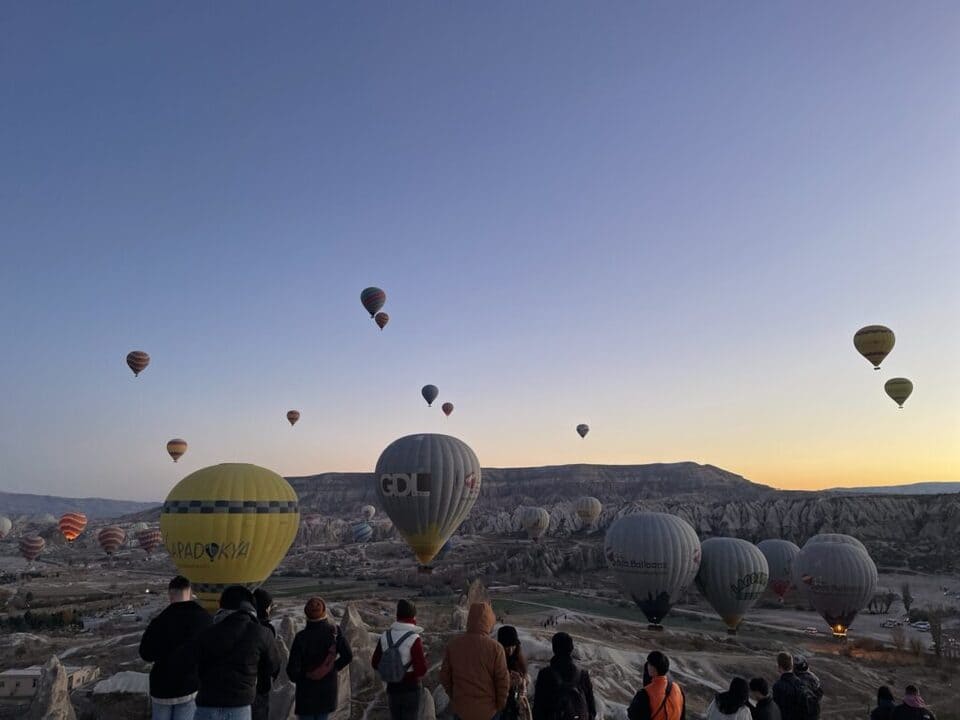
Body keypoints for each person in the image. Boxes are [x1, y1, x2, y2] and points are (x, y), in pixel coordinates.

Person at [194, 585, 281, 720]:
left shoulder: (206, 633)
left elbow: (193, 666)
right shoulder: (262, 633)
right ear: (251, 608)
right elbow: (273, 665)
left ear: (221, 606)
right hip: (239, 705)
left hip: (207, 704)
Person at [138, 576, 213, 720]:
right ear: (189, 592)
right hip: (189, 685)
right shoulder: (204, 619)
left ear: (170, 594)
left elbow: (145, 654)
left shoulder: (159, 621)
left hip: (161, 686)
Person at [439, 601, 509, 720]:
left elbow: (445, 676)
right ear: (489, 621)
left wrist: (454, 696)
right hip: (488, 711)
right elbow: (502, 681)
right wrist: (500, 705)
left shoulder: (454, 645)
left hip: (461, 709)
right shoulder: (495, 648)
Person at [286, 596, 353, 720]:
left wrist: (306, 675)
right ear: (324, 612)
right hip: (327, 693)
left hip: (306, 694)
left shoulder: (301, 637)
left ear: (306, 613)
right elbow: (348, 656)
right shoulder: (335, 632)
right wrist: (332, 668)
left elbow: (292, 672)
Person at [372, 599, 428, 720]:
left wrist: (392, 670)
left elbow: (375, 663)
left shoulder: (385, 636)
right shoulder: (414, 638)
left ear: (397, 615)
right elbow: (421, 669)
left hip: (392, 688)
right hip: (410, 689)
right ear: (413, 616)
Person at [531, 631, 595, 720]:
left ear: (554, 649)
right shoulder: (583, 674)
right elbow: (591, 707)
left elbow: (538, 708)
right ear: (571, 648)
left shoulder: (545, 674)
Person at [627, 651, 685, 720]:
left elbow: (633, 715)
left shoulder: (645, 693)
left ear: (653, 668)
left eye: (649, 664)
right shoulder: (678, 689)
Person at [252, 588, 279, 720]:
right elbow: (272, 659)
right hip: (261, 684)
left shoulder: (243, 623)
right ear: (266, 607)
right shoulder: (267, 629)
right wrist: (273, 674)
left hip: (242, 684)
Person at [498, 626, 532, 720]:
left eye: (513, 646)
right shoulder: (496, 660)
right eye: (507, 647)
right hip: (499, 707)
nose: (510, 650)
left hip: (515, 707)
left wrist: (522, 681)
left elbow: (525, 678)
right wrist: (507, 682)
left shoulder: (518, 658)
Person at [772, 653, 806, 720]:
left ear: (780, 667)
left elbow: (776, 710)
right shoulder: (800, 683)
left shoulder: (778, 686)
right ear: (792, 665)